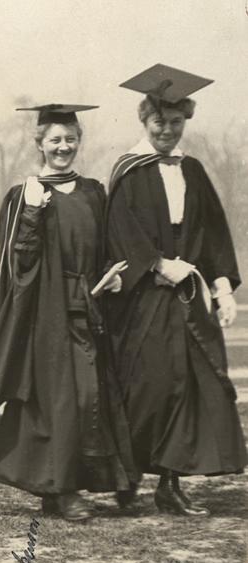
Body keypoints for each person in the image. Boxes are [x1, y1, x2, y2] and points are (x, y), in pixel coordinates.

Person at [0, 105, 137, 521]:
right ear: (40, 144)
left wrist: (112, 276)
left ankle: (98, 480)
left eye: (70, 138)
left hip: (92, 305)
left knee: (94, 396)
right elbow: (20, 264)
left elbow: (107, 248)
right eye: (55, 140)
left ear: (78, 140)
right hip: (49, 312)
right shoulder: (25, 195)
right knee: (62, 402)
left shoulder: (93, 192)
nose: (63, 147)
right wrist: (32, 211)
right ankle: (62, 490)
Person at [104, 65, 247, 515]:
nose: (167, 131)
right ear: (144, 121)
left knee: (188, 387)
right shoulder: (129, 169)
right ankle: (126, 481)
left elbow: (212, 232)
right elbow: (120, 230)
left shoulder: (194, 169)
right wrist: (159, 265)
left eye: (176, 123)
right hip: (143, 300)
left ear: (185, 123)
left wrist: (223, 288)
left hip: (190, 297)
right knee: (144, 387)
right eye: (159, 123)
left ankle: (170, 482)